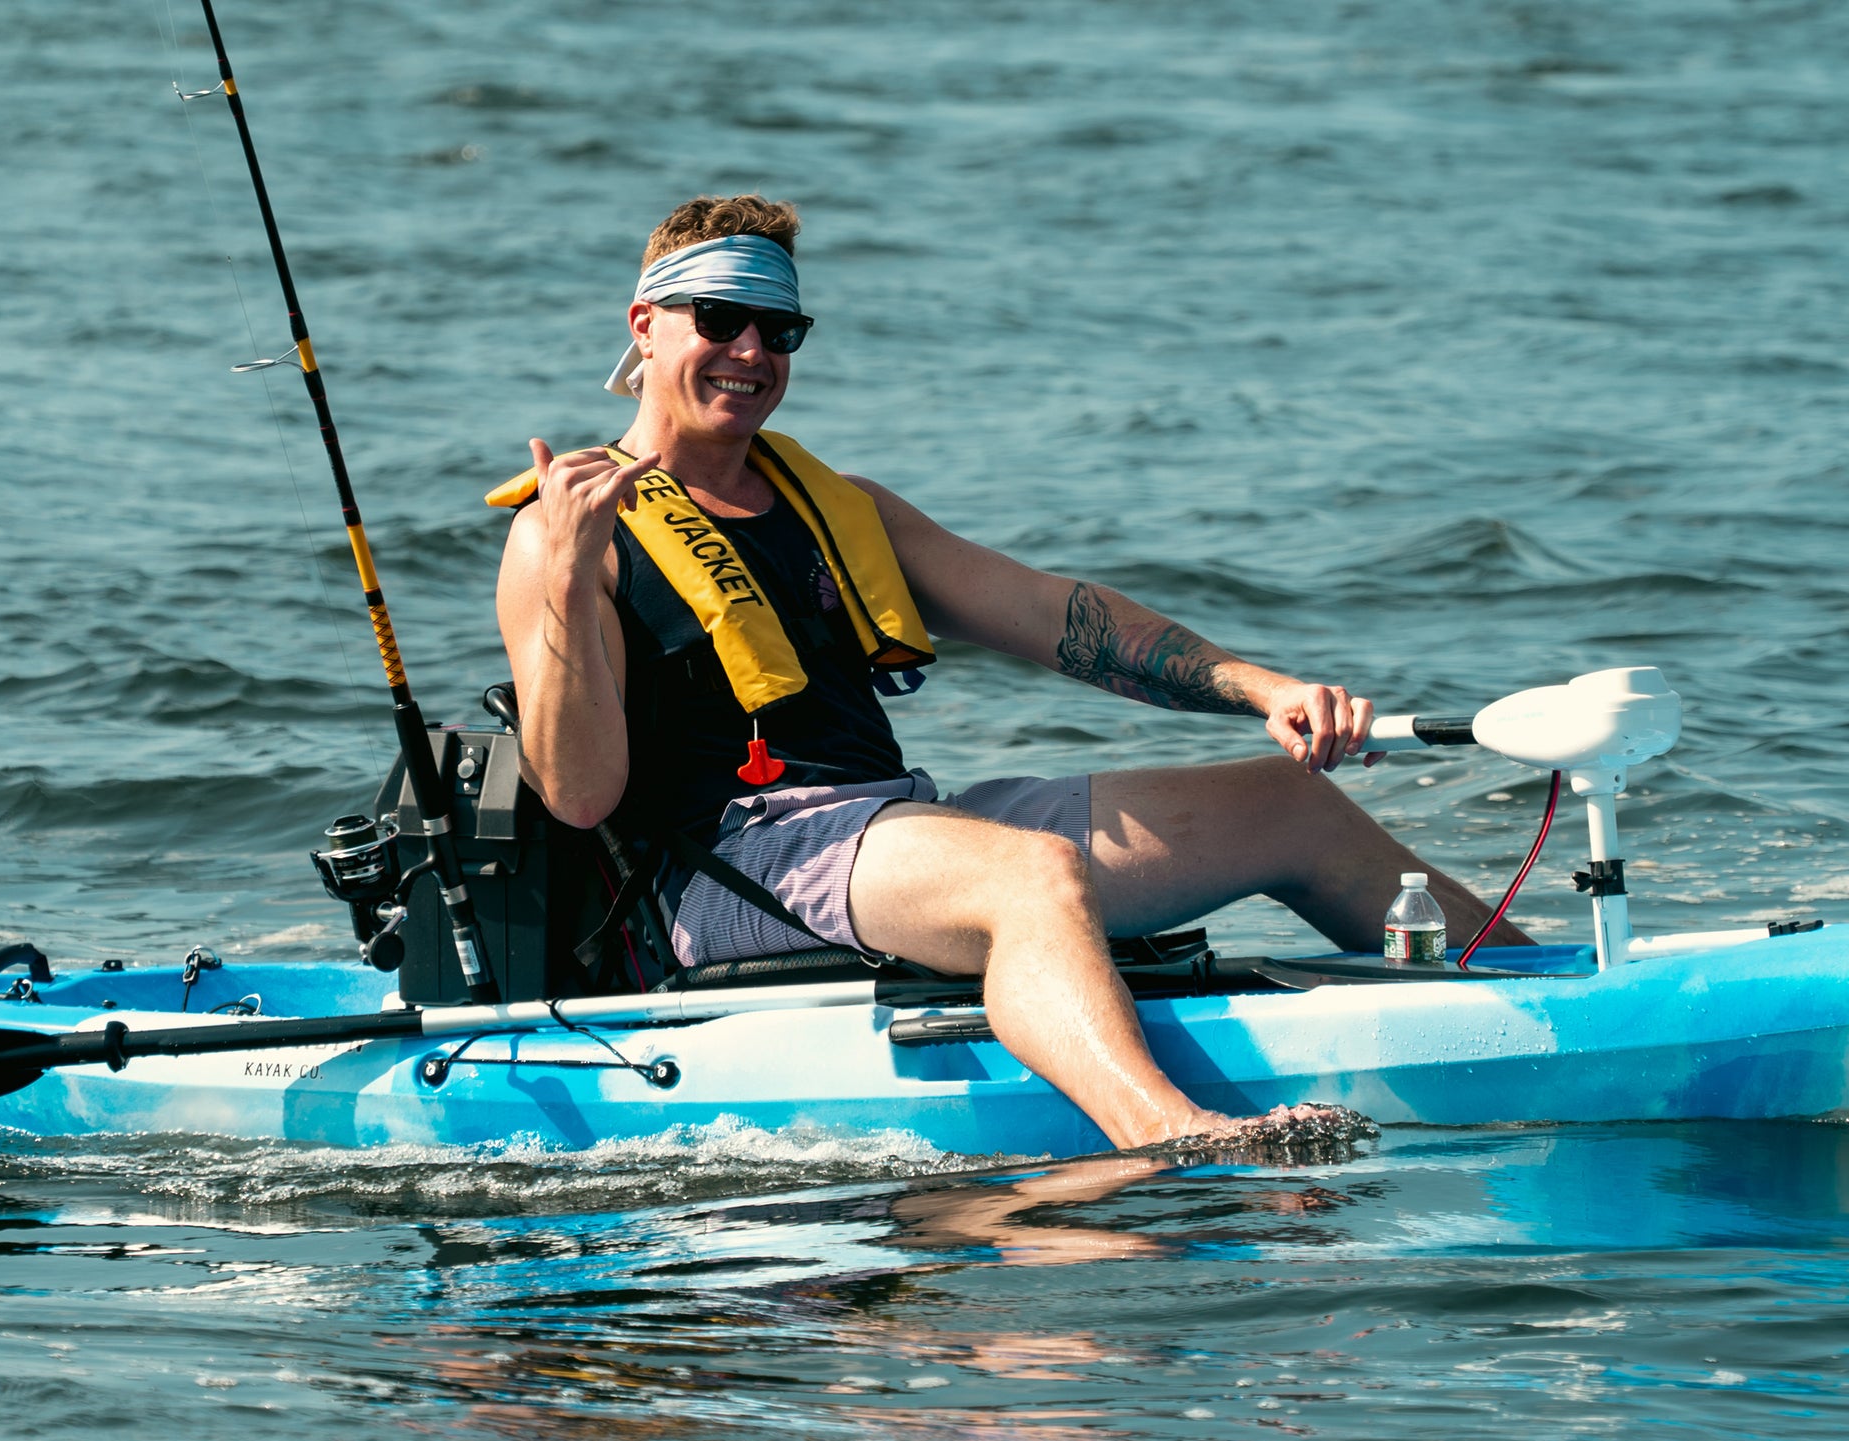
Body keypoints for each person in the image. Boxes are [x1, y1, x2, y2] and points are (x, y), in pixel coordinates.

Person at [494, 194, 1527, 1151]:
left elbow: (1055, 615)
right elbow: (579, 796)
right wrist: (572, 579)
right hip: (734, 867)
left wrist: (1266, 689)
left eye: (780, 329)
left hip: (892, 824)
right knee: (1028, 871)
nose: (752, 352)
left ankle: (1551, 1000)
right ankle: (1168, 1131)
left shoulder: (840, 507)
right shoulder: (565, 532)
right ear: (646, 326)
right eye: (721, 320)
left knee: (1290, 806)